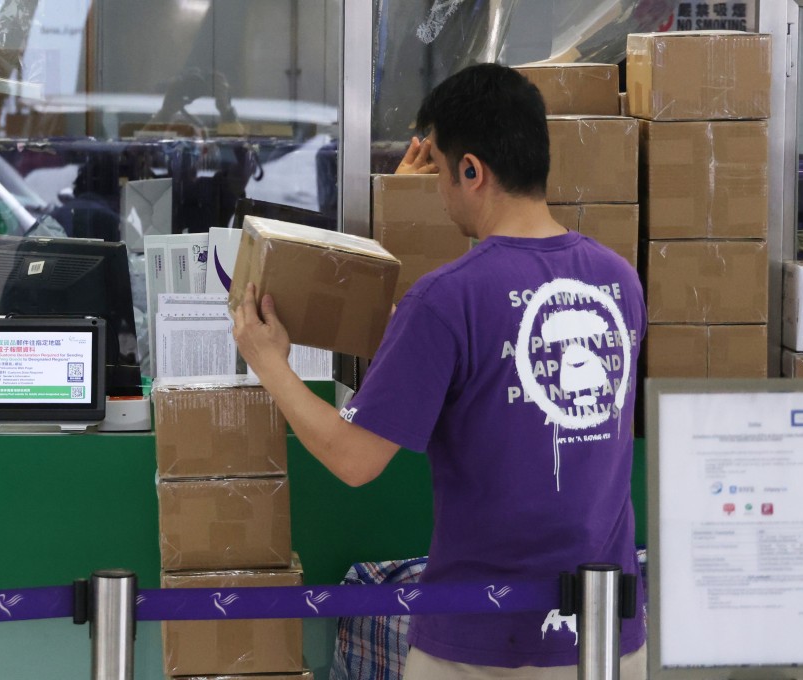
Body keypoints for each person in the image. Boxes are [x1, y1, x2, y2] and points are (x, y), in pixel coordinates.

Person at [233, 62, 647, 678]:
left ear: (472, 171)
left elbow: (354, 460)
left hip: (481, 642)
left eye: (443, 174)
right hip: (606, 636)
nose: (439, 191)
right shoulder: (620, 280)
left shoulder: (447, 299)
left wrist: (270, 364)